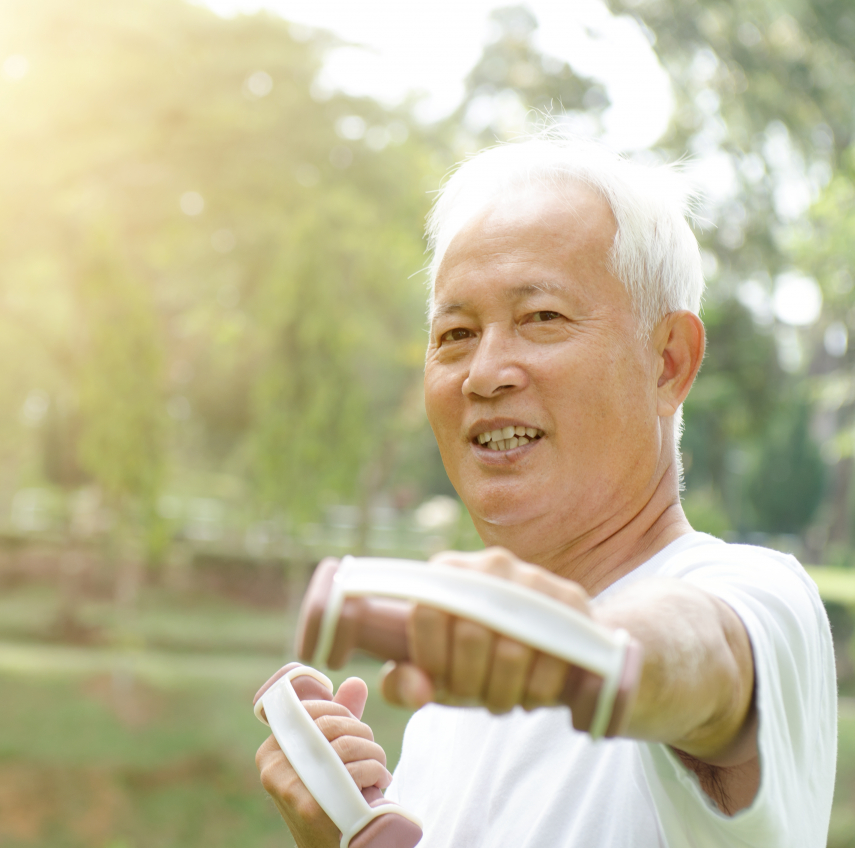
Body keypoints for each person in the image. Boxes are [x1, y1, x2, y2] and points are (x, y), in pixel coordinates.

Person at [255, 136, 837, 847]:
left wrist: (585, 650)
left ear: (668, 363)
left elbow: (699, 655)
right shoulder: (448, 712)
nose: (484, 373)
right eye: (456, 333)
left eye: (542, 318)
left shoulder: (756, 594)